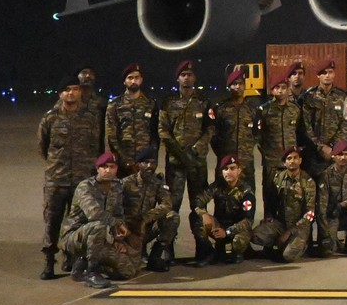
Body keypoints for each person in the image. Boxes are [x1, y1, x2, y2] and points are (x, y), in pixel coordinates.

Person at [37, 80, 102, 279]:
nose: (71, 93)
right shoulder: (50, 118)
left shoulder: (89, 118)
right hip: (57, 179)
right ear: (60, 94)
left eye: (74, 89)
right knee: (52, 221)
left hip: (81, 179)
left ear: (80, 92)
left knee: (78, 221)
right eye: (66, 90)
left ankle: (72, 257)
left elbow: (95, 146)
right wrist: (56, 166)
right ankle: (49, 262)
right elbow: (43, 146)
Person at [301, 59, 347, 256]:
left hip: (334, 158)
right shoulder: (309, 97)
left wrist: (335, 148)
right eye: (324, 73)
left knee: (329, 201)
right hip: (315, 158)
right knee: (311, 201)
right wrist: (320, 146)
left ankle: (325, 240)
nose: (328, 76)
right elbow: (305, 126)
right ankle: (306, 241)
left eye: (331, 72)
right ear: (318, 76)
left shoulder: (342, 97)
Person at [60, 152, 124, 288]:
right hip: (73, 237)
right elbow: (94, 214)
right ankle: (92, 272)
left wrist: (118, 237)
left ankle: (82, 264)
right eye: (104, 167)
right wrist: (115, 223)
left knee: (127, 271)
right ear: (97, 169)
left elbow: (118, 213)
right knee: (98, 225)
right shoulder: (85, 187)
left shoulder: (117, 187)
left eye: (112, 167)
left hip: (98, 237)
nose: (108, 170)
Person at [159, 60, 212, 219]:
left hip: (197, 163)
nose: (186, 78)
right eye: (183, 75)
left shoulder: (203, 102)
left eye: (190, 75)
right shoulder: (168, 102)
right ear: (177, 79)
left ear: (194, 78)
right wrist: (181, 153)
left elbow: (210, 129)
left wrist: (196, 148)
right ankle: (167, 243)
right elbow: (163, 130)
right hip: (176, 163)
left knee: (199, 207)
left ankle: (201, 242)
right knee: (172, 207)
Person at [252, 148, 318, 261]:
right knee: (255, 235)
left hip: (299, 227)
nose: (292, 161)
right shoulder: (278, 178)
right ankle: (275, 245)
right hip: (281, 223)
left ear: (300, 160)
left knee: (288, 255)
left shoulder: (308, 182)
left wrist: (290, 232)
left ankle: (300, 244)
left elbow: (310, 213)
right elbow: (271, 201)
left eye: (295, 158)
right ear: (284, 162)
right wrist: (269, 218)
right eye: (289, 158)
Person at [120, 147, 179, 272]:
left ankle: (155, 257)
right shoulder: (125, 183)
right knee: (128, 269)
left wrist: (145, 219)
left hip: (145, 229)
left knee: (172, 217)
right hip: (127, 231)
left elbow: (167, 204)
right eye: (145, 162)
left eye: (153, 162)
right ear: (138, 165)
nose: (149, 166)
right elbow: (115, 208)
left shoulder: (157, 183)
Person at [212, 67, 260, 219]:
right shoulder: (221, 109)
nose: (237, 87)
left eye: (240, 83)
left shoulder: (252, 109)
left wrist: (247, 149)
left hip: (246, 164)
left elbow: (257, 134)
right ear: (229, 87)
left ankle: (244, 237)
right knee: (222, 201)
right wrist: (222, 154)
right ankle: (221, 237)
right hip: (226, 164)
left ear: (245, 85)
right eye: (233, 84)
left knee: (247, 201)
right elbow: (213, 135)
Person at [192, 155, 256, 265]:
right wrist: (204, 214)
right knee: (195, 218)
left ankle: (237, 252)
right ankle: (209, 251)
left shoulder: (246, 191)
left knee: (236, 245)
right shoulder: (217, 186)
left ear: (239, 170)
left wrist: (227, 232)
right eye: (225, 169)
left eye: (232, 168)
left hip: (237, 230)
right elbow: (199, 200)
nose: (229, 172)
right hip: (219, 226)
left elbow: (248, 221)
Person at [257, 67, 303, 220]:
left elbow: (298, 131)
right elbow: (258, 136)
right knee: (270, 199)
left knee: (290, 201)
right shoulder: (264, 110)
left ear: (288, 88)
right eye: (277, 88)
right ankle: (269, 238)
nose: (281, 91)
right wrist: (266, 153)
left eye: (284, 87)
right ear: (272, 90)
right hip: (272, 163)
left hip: (290, 164)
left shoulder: (295, 110)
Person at [106, 64, 156, 176]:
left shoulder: (150, 103)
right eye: (130, 78)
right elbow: (112, 135)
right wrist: (124, 160)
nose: (133, 81)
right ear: (124, 81)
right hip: (123, 160)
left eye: (137, 77)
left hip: (145, 159)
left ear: (141, 80)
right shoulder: (115, 104)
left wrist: (152, 157)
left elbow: (154, 134)